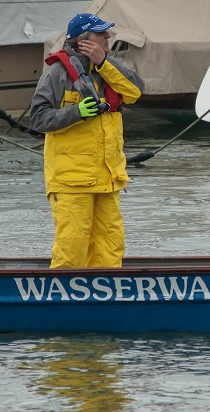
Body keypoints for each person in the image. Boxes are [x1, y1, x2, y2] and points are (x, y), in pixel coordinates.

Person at [29, 13, 145, 268]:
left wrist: (103, 61)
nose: (107, 37)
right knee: (72, 248)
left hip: (107, 178)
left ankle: (105, 299)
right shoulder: (57, 73)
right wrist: (77, 112)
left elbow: (135, 91)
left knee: (110, 247)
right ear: (83, 41)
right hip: (71, 181)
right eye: (100, 33)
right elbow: (37, 118)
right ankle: (62, 304)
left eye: (106, 33)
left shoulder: (108, 66)